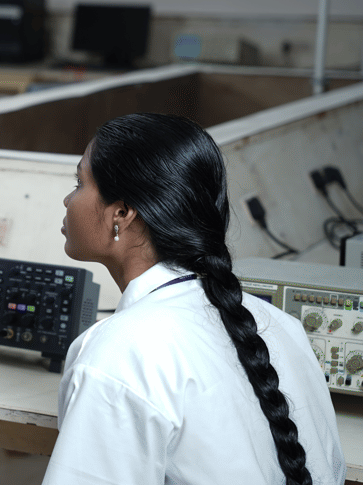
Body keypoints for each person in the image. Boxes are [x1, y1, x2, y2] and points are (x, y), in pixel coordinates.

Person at [43, 113, 345, 485]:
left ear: (121, 213)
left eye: (79, 183)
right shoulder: (281, 326)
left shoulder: (117, 355)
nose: (67, 199)